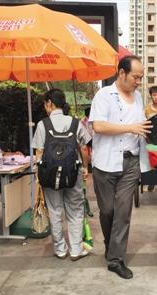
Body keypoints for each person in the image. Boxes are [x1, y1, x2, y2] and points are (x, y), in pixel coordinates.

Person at [89, 55, 152, 279]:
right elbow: (98, 125)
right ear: (122, 73)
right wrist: (130, 127)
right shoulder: (104, 95)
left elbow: (140, 126)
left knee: (123, 212)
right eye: (135, 77)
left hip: (130, 162)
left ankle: (116, 259)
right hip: (105, 163)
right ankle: (110, 245)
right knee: (107, 211)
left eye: (141, 78)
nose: (138, 81)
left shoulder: (138, 98)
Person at [32, 88, 91, 261]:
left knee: (55, 210)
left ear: (50, 103)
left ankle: (60, 249)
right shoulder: (75, 123)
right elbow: (84, 148)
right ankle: (76, 250)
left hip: (50, 176)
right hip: (73, 173)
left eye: (45, 104)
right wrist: (85, 168)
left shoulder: (43, 124)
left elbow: (39, 153)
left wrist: (38, 175)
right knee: (75, 210)